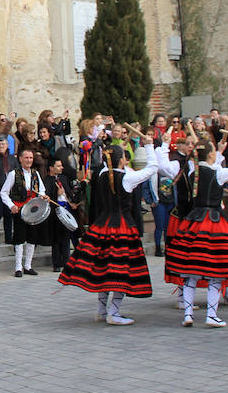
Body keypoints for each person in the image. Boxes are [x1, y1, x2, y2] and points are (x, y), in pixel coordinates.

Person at [57, 138, 160, 325]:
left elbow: (109, 167)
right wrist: (150, 146)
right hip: (121, 228)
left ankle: (102, 310)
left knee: (104, 268)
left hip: (102, 226)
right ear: (122, 160)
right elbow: (153, 168)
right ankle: (114, 312)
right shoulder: (126, 177)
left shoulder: (103, 175)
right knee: (120, 270)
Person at [159, 132, 228, 328]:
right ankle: (211, 315)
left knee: (190, 271)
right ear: (210, 155)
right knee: (216, 270)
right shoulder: (217, 173)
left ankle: (189, 314)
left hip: (192, 223)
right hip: (214, 223)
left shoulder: (193, 173)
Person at [0, 148, 50, 277]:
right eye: (26, 158)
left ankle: (28, 266)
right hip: (20, 208)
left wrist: (44, 196)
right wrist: (11, 205)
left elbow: (42, 190)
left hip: (33, 209)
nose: (29, 160)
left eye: (31, 158)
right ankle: (18, 267)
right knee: (19, 238)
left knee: (32, 238)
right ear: (20, 159)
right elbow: (3, 192)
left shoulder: (36, 174)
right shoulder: (13, 174)